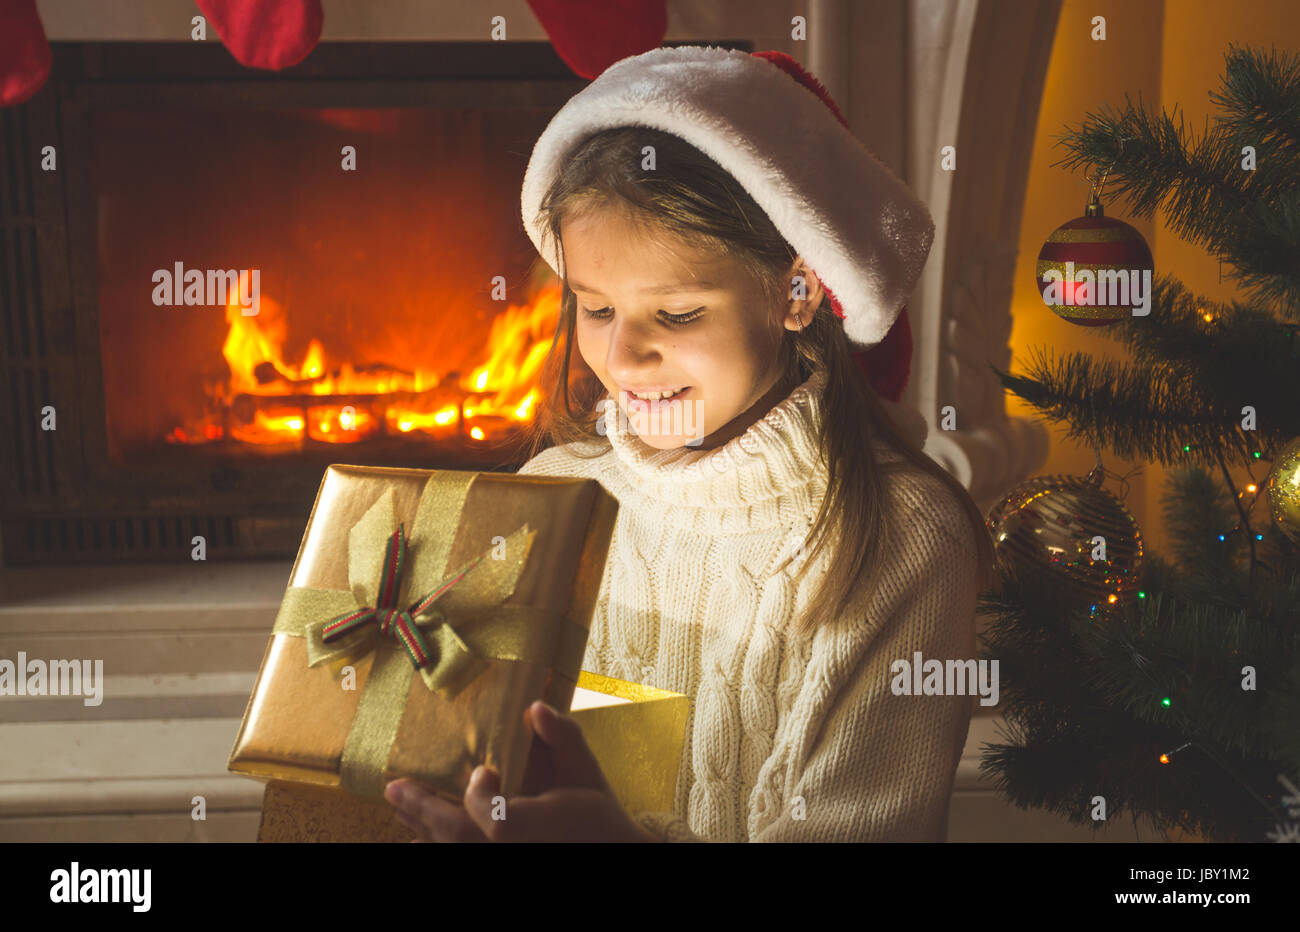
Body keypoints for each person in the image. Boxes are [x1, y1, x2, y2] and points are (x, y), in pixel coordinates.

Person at [384, 45, 996, 843]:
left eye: (675, 315)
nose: (624, 356)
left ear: (797, 290)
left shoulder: (899, 540)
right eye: (596, 310)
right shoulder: (553, 491)